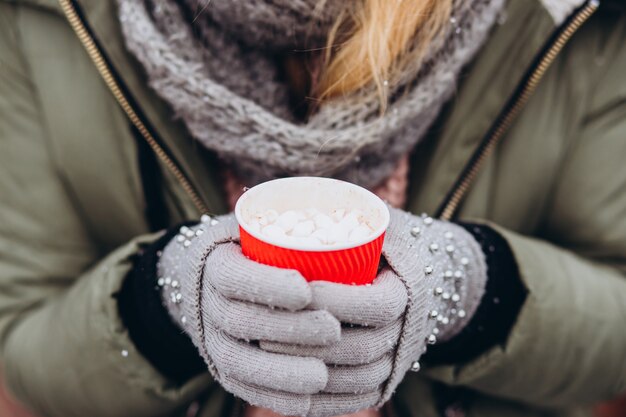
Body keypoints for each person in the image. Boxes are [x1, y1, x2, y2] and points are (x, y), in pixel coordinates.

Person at [0, 0, 625, 417]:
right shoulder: (47, 20)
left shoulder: (566, 17)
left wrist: (471, 288)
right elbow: (25, 343)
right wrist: (164, 299)